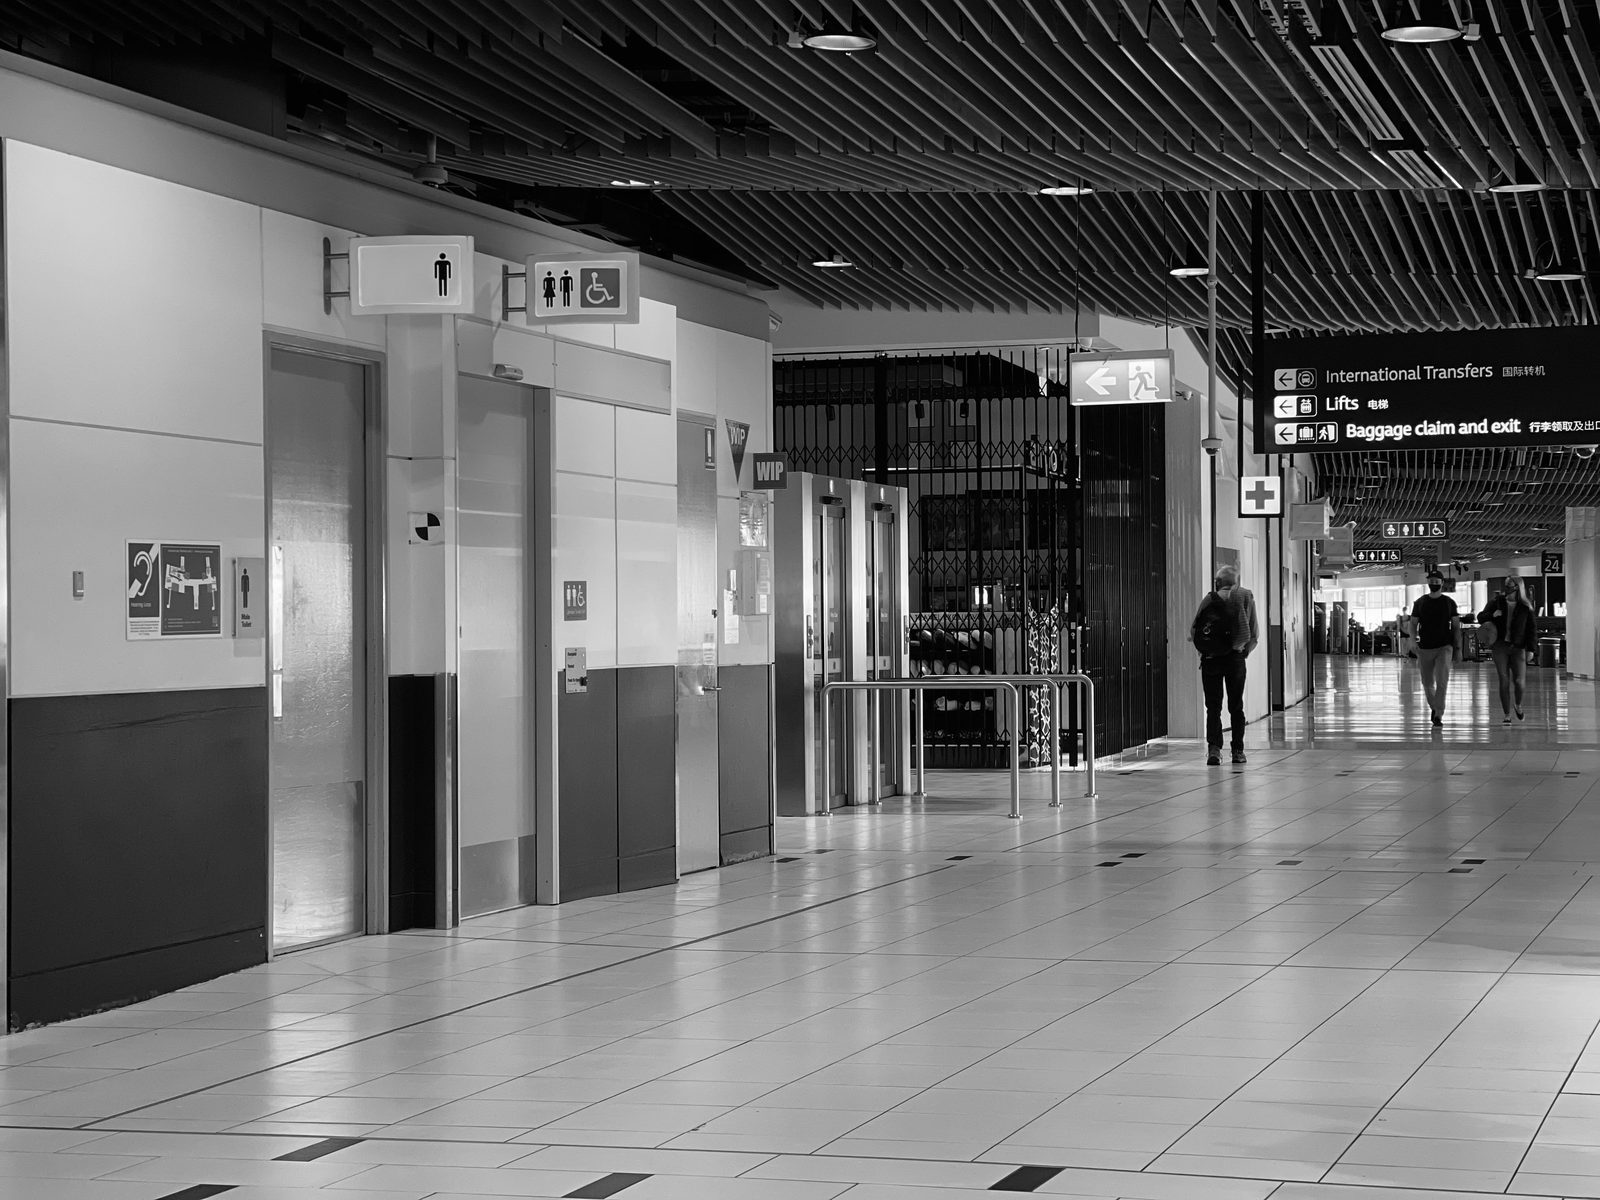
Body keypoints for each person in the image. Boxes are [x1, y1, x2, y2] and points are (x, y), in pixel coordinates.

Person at [1190, 564, 1259, 766]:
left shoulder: (1209, 599)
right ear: (1236, 582)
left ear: (1218, 582)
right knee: (1236, 706)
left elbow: (1194, 630)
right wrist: (1242, 652)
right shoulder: (1245, 597)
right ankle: (1237, 751)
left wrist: (1207, 650)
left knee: (1213, 706)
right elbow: (1254, 634)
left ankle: (1214, 750)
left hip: (1211, 659)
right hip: (1235, 659)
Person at [1479, 576, 1538, 724]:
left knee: (1519, 681)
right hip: (1500, 646)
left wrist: (1531, 649)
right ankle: (1507, 715)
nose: (1507, 588)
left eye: (1510, 585)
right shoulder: (1496, 602)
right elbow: (1480, 616)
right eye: (1506, 585)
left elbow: (1532, 629)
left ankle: (1518, 704)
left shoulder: (1525, 606)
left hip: (1518, 647)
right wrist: (1492, 614)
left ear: (1518, 587)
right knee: (1503, 679)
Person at [1410, 570, 1459, 726]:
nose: (1434, 584)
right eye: (1431, 581)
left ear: (1442, 583)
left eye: (1437, 581)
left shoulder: (1449, 603)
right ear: (1428, 583)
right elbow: (1413, 624)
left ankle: (1438, 713)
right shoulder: (1420, 602)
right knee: (1427, 682)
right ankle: (1434, 706)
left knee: (1442, 681)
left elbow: (1456, 627)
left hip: (1445, 646)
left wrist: (1457, 648)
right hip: (1425, 647)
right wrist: (1412, 641)